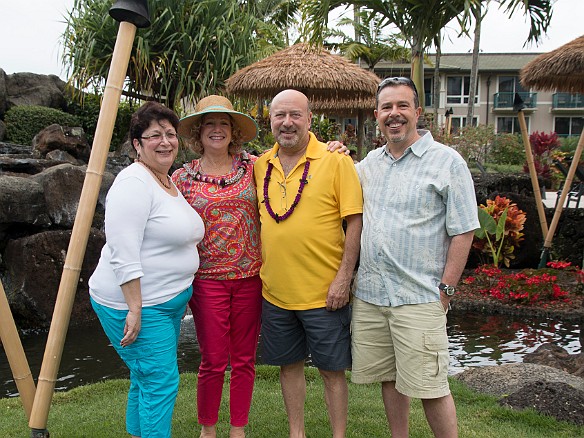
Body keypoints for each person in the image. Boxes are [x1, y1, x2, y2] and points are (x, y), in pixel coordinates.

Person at [351, 77, 479, 438]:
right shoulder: (368, 165)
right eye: (387, 108)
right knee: (391, 379)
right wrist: (332, 151)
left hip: (420, 296)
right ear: (377, 115)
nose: (394, 114)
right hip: (373, 296)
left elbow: (464, 229)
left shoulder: (446, 162)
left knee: (431, 386)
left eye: (402, 106)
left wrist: (446, 289)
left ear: (417, 112)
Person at [89, 101, 205, 438]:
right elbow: (122, 251)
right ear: (137, 144)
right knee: (160, 382)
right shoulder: (133, 183)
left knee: (145, 379)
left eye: (170, 134)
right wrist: (135, 307)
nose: (165, 141)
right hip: (138, 303)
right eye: (154, 135)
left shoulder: (165, 181)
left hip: (165, 302)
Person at [253, 89, 363, 438]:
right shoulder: (260, 165)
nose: (287, 123)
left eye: (295, 115)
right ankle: (296, 433)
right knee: (289, 366)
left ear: (310, 119)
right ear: (269, 121)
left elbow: (355, 222)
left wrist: (344, 277)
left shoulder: (336, 161)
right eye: (279, 115)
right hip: (275, 291)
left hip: (324, 292)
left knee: (332, 371)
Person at [171, 95, 262, 438]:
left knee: (244, 360)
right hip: (207, 280)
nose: (217, 129)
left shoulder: (254, 167)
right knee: (212, 359)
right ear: (198, 131)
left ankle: (237, 429)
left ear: (233, 131)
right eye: (210, 123)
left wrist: (333, 149)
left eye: (224, 123)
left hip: (250, 277)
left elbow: (295, 162)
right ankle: (208, 430)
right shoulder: (182, 177)